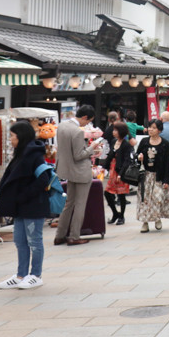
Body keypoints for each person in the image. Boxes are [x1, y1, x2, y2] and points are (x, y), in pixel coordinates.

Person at [0, 121, 52, 289]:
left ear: (21, 136)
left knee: (34, 241)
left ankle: (36, 274)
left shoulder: (34, 155)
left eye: (12, 136)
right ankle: (21, 274)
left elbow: (44, 178)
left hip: (33, 206)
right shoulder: (21, 154)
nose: (10, 140)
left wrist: (24, 195)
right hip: (21, 206)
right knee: (20, 241)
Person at [54, 104, 102, 247]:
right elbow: (79, 155)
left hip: (67, 170)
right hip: (80, 171)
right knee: (80, 205)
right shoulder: (77, 132)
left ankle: (59, 235)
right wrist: (92, 148)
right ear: (84, 117)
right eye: (88, 121)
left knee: (68, 204)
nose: (87, 125)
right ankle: (74, 236)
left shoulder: (62, 126)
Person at [136, 119, 169, 233]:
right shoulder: (144, 142)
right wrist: (139, 157)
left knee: (158, 198)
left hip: (159, 175)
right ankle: (145, 222)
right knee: (144, 199)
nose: (151, 130)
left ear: (159, 130)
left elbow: (167, 162)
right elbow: (137, 154)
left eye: (154, 128)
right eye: (150, 127)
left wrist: (166, 180)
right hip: (145, 175)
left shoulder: (165, 143)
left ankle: (157, 219)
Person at [104, 122, 134, 225]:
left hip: (121, 172)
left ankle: (121, 216)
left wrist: (121, 174)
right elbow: (110, 156)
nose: (113, 132)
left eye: (116, 130)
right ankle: (115, 213)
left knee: (121, 195)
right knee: (107, 193)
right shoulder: (113, 142)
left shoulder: (126, 144)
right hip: (112, 170)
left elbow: (127, 160)